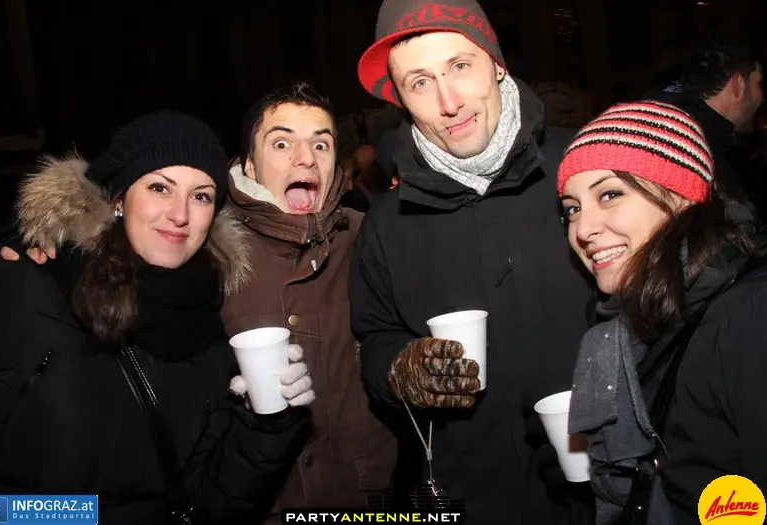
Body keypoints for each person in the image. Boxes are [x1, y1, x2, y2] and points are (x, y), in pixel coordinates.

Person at [0, 111, 315, 524]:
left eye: (202, 195)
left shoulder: (209, 331)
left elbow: (210, 505)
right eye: (160, 187)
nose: (180, 214)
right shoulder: (30, 286)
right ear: (118, 198)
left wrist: (266, 426)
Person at [350, 1, 596, 524]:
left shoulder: (583, 171)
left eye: (460, 67)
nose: (450, 102)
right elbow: (373, 340)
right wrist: (400, 368)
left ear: (497, 66)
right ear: (402, 102)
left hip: (604, 495)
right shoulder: (387, 221)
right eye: (420, 83)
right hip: (470, 500)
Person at [558, 100, 767, 525]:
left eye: (610, 194)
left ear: (681, 195)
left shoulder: (747, 317)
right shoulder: (642, 324)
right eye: (572, 208)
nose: (582, 228)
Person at [222, 82, 398, 522]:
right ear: (249, 164)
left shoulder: (368, 236)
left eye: (320, 143)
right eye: (281, 143)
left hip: (365, 497)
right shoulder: (208, 249)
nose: (305, 158)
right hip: (261, 504)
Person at [649, 38, 764, 215]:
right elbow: (739, 228)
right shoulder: (700, 151)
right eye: (760, 86)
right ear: (738, 84)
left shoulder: (664, 117)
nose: (763, 98)